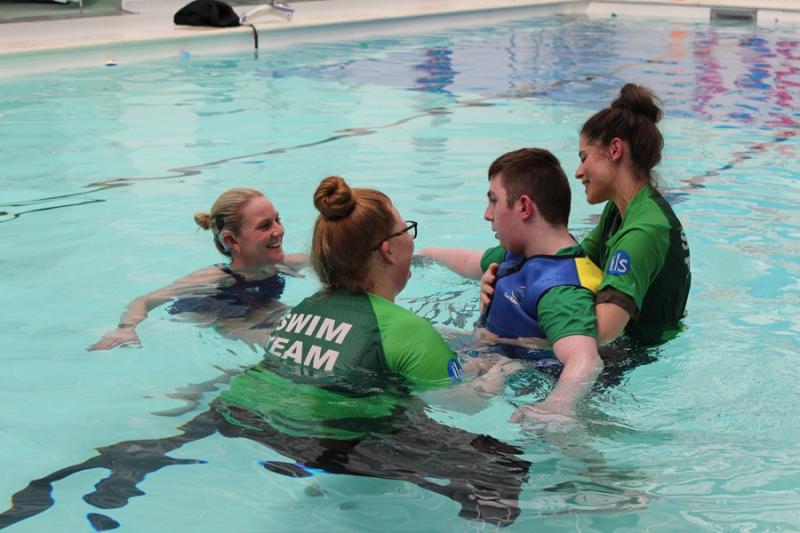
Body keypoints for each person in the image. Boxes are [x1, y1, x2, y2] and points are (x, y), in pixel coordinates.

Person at [2, 177, 530, 531]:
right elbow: (465, 404)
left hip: (237, 410)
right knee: (504, 465)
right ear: (390, 250)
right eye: (406, 231)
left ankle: (100, 472)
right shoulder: (408, 331)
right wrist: (497, 372)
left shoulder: (307, 303)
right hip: (323, 439)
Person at [423, 149, 604, 419]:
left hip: (522, 375)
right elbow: (470, 260)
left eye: (494, 201)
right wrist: (424, 255)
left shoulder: (560, 289)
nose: (487, 214)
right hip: (493, 351)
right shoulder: (520, 255)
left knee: (424, 393)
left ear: (523, 207)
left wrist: (557, 405)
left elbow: (585, 360)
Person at [88, 188, 305, 351]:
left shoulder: (282, 264)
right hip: (214, 311)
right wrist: (125, 329)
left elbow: (330, 258)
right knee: (279, 339)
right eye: (265, 226)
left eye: (278, 220)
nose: (279, 230)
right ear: (231, 240)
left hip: (254, 307)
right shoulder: (214, 277)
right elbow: (144, 300)